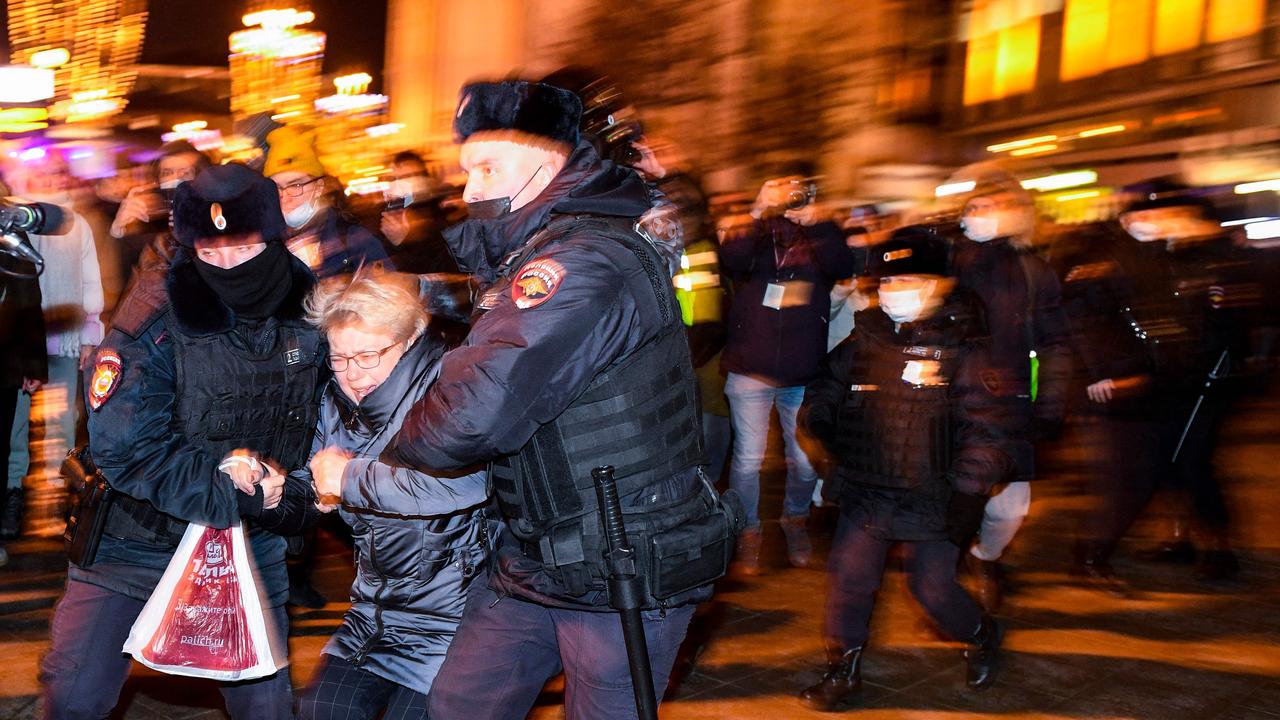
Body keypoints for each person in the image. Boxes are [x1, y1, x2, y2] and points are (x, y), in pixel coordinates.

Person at [380, 79, 740, 720]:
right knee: (460, 706)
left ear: (547, 167)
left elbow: (464, 420)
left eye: (487, 168)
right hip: (536, 550)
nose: (468, 191)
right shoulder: (544, 249)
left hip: (623, 558)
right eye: (466, 171)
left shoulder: (583, 261)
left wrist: (378, 441)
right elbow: (504, 318)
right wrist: (417, 296)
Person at [39, 162, 322, 720]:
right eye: (208, 251)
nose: (224, 263)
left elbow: (329, 419)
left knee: (266, 706)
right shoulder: (153, 316)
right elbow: (128, 448)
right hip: (135, 541)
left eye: (241, 248)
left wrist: (294, 493)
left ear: (271, 236)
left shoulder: (310, 307)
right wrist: (238, 493)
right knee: (74, 697)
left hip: (248, 544)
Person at [798, 228, 1010, 711]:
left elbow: (987, 429)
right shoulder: (866, 334)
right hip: (868, 486)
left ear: (939, 284)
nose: (893, 292)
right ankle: (842, 668)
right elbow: (826, 385)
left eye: (907, 280)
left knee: (931, 588)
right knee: (850, 579)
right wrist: (822, 418)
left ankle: (981, 634)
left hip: (934, 492)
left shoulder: (965, 346)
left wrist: (968, 493)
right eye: (886, 282)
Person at [296, 269, 492, 720]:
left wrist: (346, 479)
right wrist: (267, 484)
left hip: (457, 622)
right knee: (321, 711)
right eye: (339, 358)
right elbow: (314, 476)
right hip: (374, 616)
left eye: (367, 355)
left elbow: (455, 483)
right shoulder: (335, 401)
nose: (353, 375)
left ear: (408, 342)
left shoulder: (450, 391)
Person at [718, 165, 856, 571]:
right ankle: (748, 529)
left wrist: (821, 222)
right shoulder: (754, 230)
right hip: (750, 366)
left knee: (803, 458)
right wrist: (759, 210)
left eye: (799, 190)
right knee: (747, 458)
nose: (791, 198)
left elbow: (843, 265)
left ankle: (795, 518)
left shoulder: (822, 231)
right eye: (783, 190)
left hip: (803, 368)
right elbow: (733, 259)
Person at [951, 168, 1071, 610]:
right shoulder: (948, 263)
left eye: (994, 207)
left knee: (1010, 508)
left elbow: (1054, 341)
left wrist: (1051, 400)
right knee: (955, 497)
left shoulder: (1034, 271)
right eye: (975, 207)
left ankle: (985, 557)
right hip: (952, 404)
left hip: (1011, 405)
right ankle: (946, 574)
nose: (982, 215)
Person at [5, 150, 104, 538]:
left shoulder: (74, 223)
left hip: (62, 337)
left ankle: (60, 495)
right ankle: (12, 492)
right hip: (17, 339)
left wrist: (89, 335)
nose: (47, 180)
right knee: (13, 424)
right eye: (40, 173)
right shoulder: (15, 218)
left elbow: (90, 279)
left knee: (62, 423)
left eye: (54, 173)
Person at [265, 125, 391, 278]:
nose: (285, 196)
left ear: (318, 188)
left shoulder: (354, 241)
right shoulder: (263, 245)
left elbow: (387, 295)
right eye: (276, 187)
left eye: (296, 185)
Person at [379, 150, 459, 274]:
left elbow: (443, 264)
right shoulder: (394, 212)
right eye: (401, 178)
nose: (410, 183)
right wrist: (398, 243)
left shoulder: (446, 210)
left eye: (414, 175)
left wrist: (407, 240)